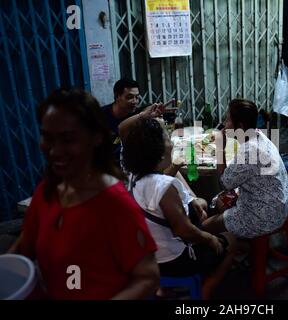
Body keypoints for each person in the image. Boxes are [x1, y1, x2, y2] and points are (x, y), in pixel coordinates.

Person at [9, 88, 160, 300]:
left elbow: (148, 278)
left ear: (96, 138)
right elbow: (23, 249)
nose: (55, 150)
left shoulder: (114, 204)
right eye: (47, 138)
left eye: (68, 139)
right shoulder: (47, 191)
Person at [122, 116, 237, 299]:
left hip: (146, 256)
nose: (173, 144)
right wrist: (209, 239)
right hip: (172, 261)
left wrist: (192, 203)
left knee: (204, 218)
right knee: (231, 241)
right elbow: (184, 231)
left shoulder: (134, 178)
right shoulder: (164, 186)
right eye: (168, 138)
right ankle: (205, 292)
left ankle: (168, 288)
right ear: (157, 149)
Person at [202, 99, 288, 239]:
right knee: (219, 201)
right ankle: (237, 242)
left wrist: (220, 148)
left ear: (240, 126)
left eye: (227, 120)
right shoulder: (259, 136)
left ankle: (237, 246)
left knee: (204, 228)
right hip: (278, 206)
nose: (224, 124)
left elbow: (224, 184)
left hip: (263, 217)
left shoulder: (249, 150)